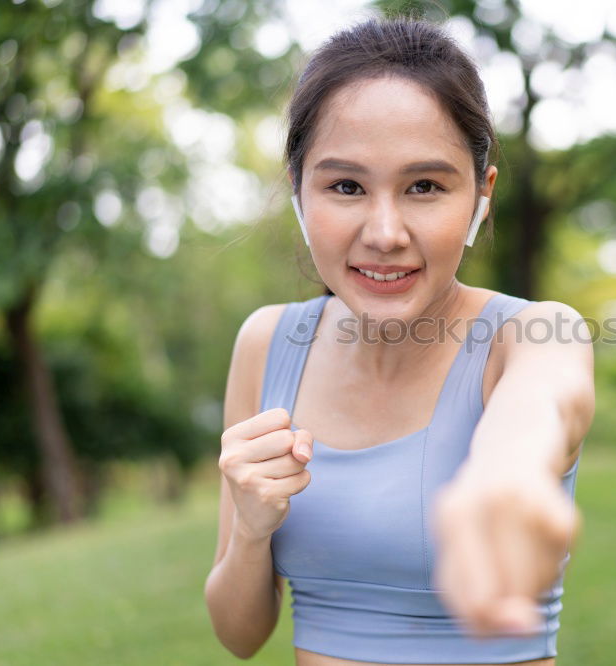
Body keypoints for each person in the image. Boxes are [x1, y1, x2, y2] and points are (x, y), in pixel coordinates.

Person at [204, 15, 594, 666]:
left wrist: (505, 477)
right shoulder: (267, 343)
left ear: (480, 198)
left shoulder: (532, 333)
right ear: (300, 194)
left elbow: (537, 410)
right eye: (347, 186)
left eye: (424, 186)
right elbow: (240, 636)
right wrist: (250, 526)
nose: (385, 232)